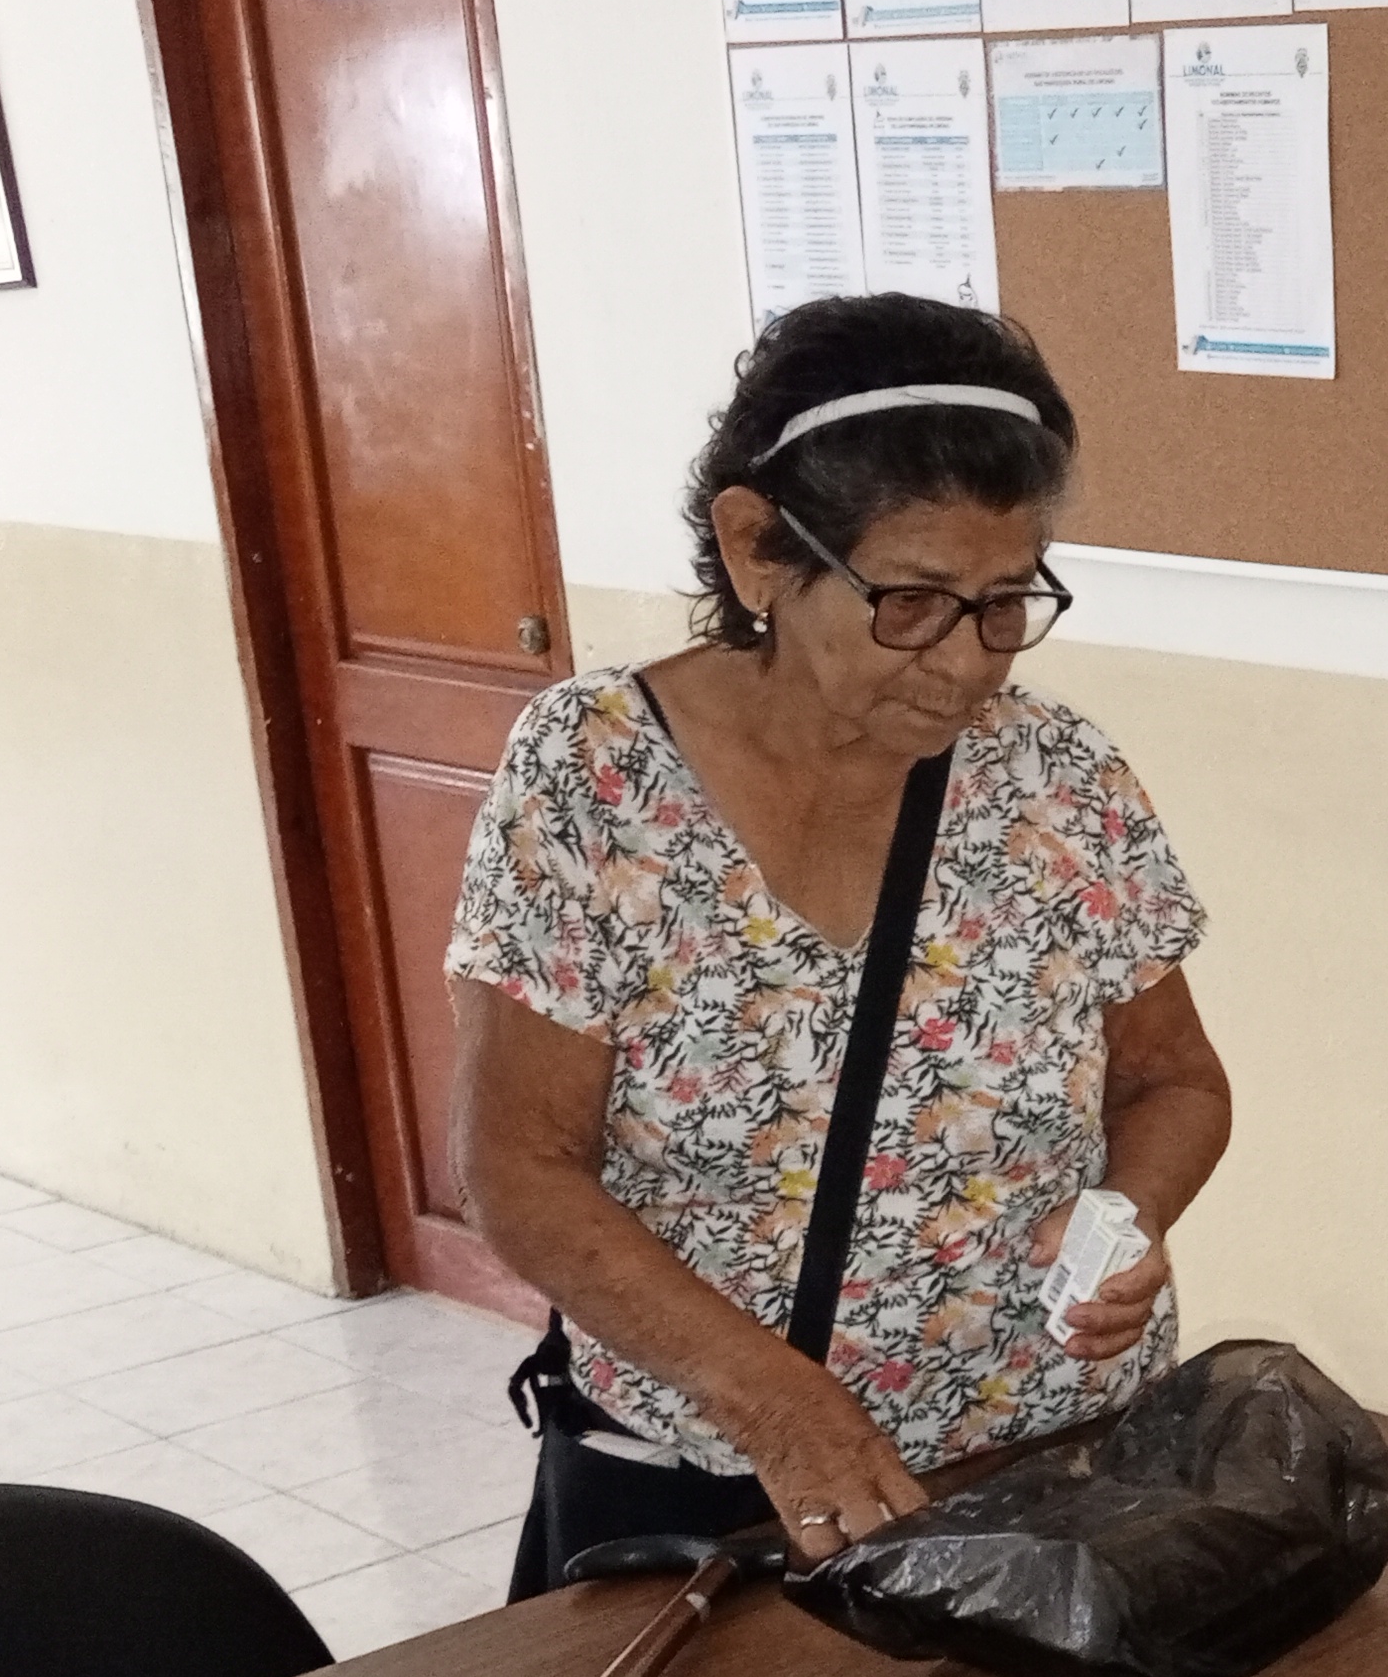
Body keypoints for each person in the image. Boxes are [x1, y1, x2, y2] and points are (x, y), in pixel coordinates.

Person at [449, 295, 1232, 1595]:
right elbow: (516, 1167)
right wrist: (773, 1403)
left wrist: (1126, 1209)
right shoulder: (593, 776)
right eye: (911, 601)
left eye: (1006, 602)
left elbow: (1176, 1079)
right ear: (757, 549)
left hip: (1049, 1463)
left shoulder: (1057, 776)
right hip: (724, 1489)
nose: (969, 665)